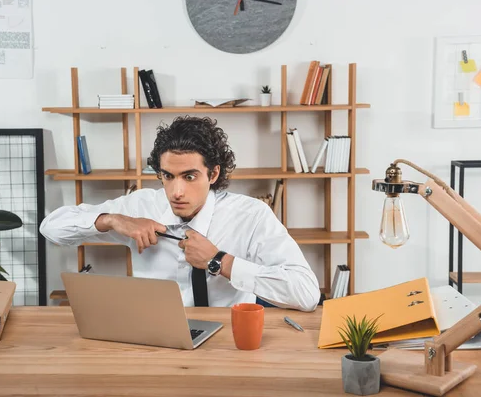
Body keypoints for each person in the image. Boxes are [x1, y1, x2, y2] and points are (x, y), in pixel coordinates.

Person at [40, 116, 320, 311]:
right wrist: (111, 219)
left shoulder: (251, 215)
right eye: (167, 176)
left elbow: (306, 293)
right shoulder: (141, 207)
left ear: (213, 174)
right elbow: (50, 227)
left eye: (189, 176)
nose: (176, 191)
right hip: (155, 339)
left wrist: (218, 261)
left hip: (229, 341)